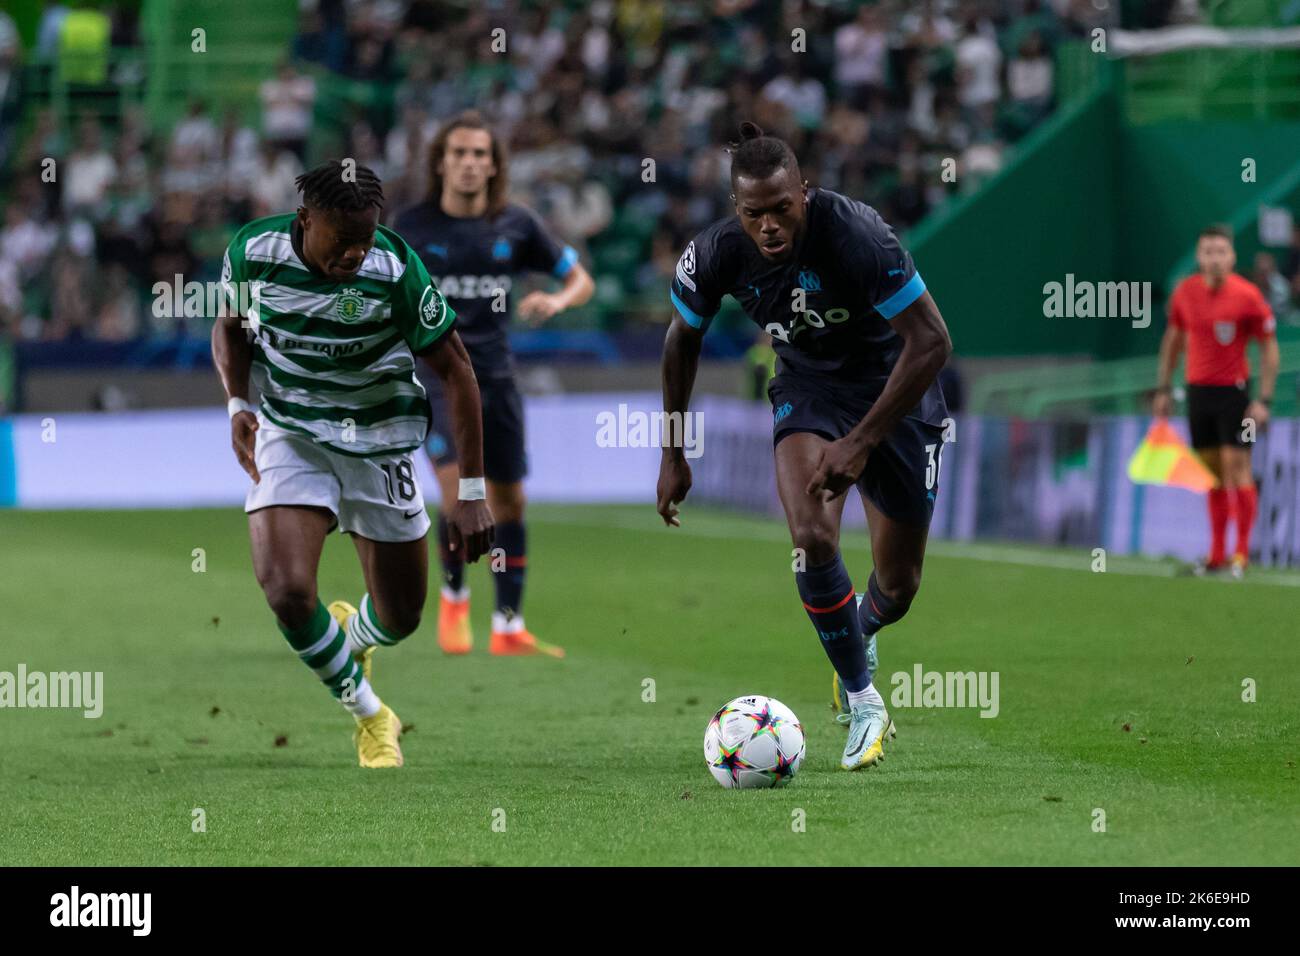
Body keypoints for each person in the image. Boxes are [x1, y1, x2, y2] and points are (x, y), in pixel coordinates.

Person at [658, 123, 952, 772]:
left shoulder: (857, 234)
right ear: (737, 209)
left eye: (781, 208)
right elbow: (681, 339)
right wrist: (674, 451)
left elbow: (932, 342)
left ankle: (863, 632)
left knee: (898, 586)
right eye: (752, 212)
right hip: (808, 390)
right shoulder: (714, 253)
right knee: (811, 537)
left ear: (805, 193)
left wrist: (863, 440)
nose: (767, 226)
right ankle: (863, 699)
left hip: (893, 394)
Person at [212, 160, 494, 768]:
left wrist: (470, 491)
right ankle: (372, 715)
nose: (356, 253)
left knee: (402, 615)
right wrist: (237, 402)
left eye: (366, 238)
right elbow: (230, 328)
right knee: (287, 590)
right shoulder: (251, 252)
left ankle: (356, 637)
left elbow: (458, 371)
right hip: (291, 430)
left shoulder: (394, 268)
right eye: (343, 240)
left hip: (382, 437)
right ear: (305, 220)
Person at [394, 111, 594, 657]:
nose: (469, 163)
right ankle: (454, 598)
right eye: (458, 153)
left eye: (480, 154)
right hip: (435, 378)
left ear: (494, 165)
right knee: (460, 493)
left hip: (498, 380)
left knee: (510, 502)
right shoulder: (409, 228)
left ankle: (508, 624)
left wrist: (555, 298)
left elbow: (580, 279)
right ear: (440, 162)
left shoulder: (517, 225)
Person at [1154, 224, 1279, 577]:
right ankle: (1216, 555)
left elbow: (1269, 349)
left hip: (1237, 395)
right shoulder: (1184, 294)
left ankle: (1241, 556)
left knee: (1238, 467)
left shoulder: (1248, 296)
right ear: (1199, 256)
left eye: (1221, 251)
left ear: (1232, 256)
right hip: (1198, 393)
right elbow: (1173, 341)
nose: (1215, 258)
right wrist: (1163, 388)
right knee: (1211, 474)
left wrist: (1264, 400)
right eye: (1208, 251)